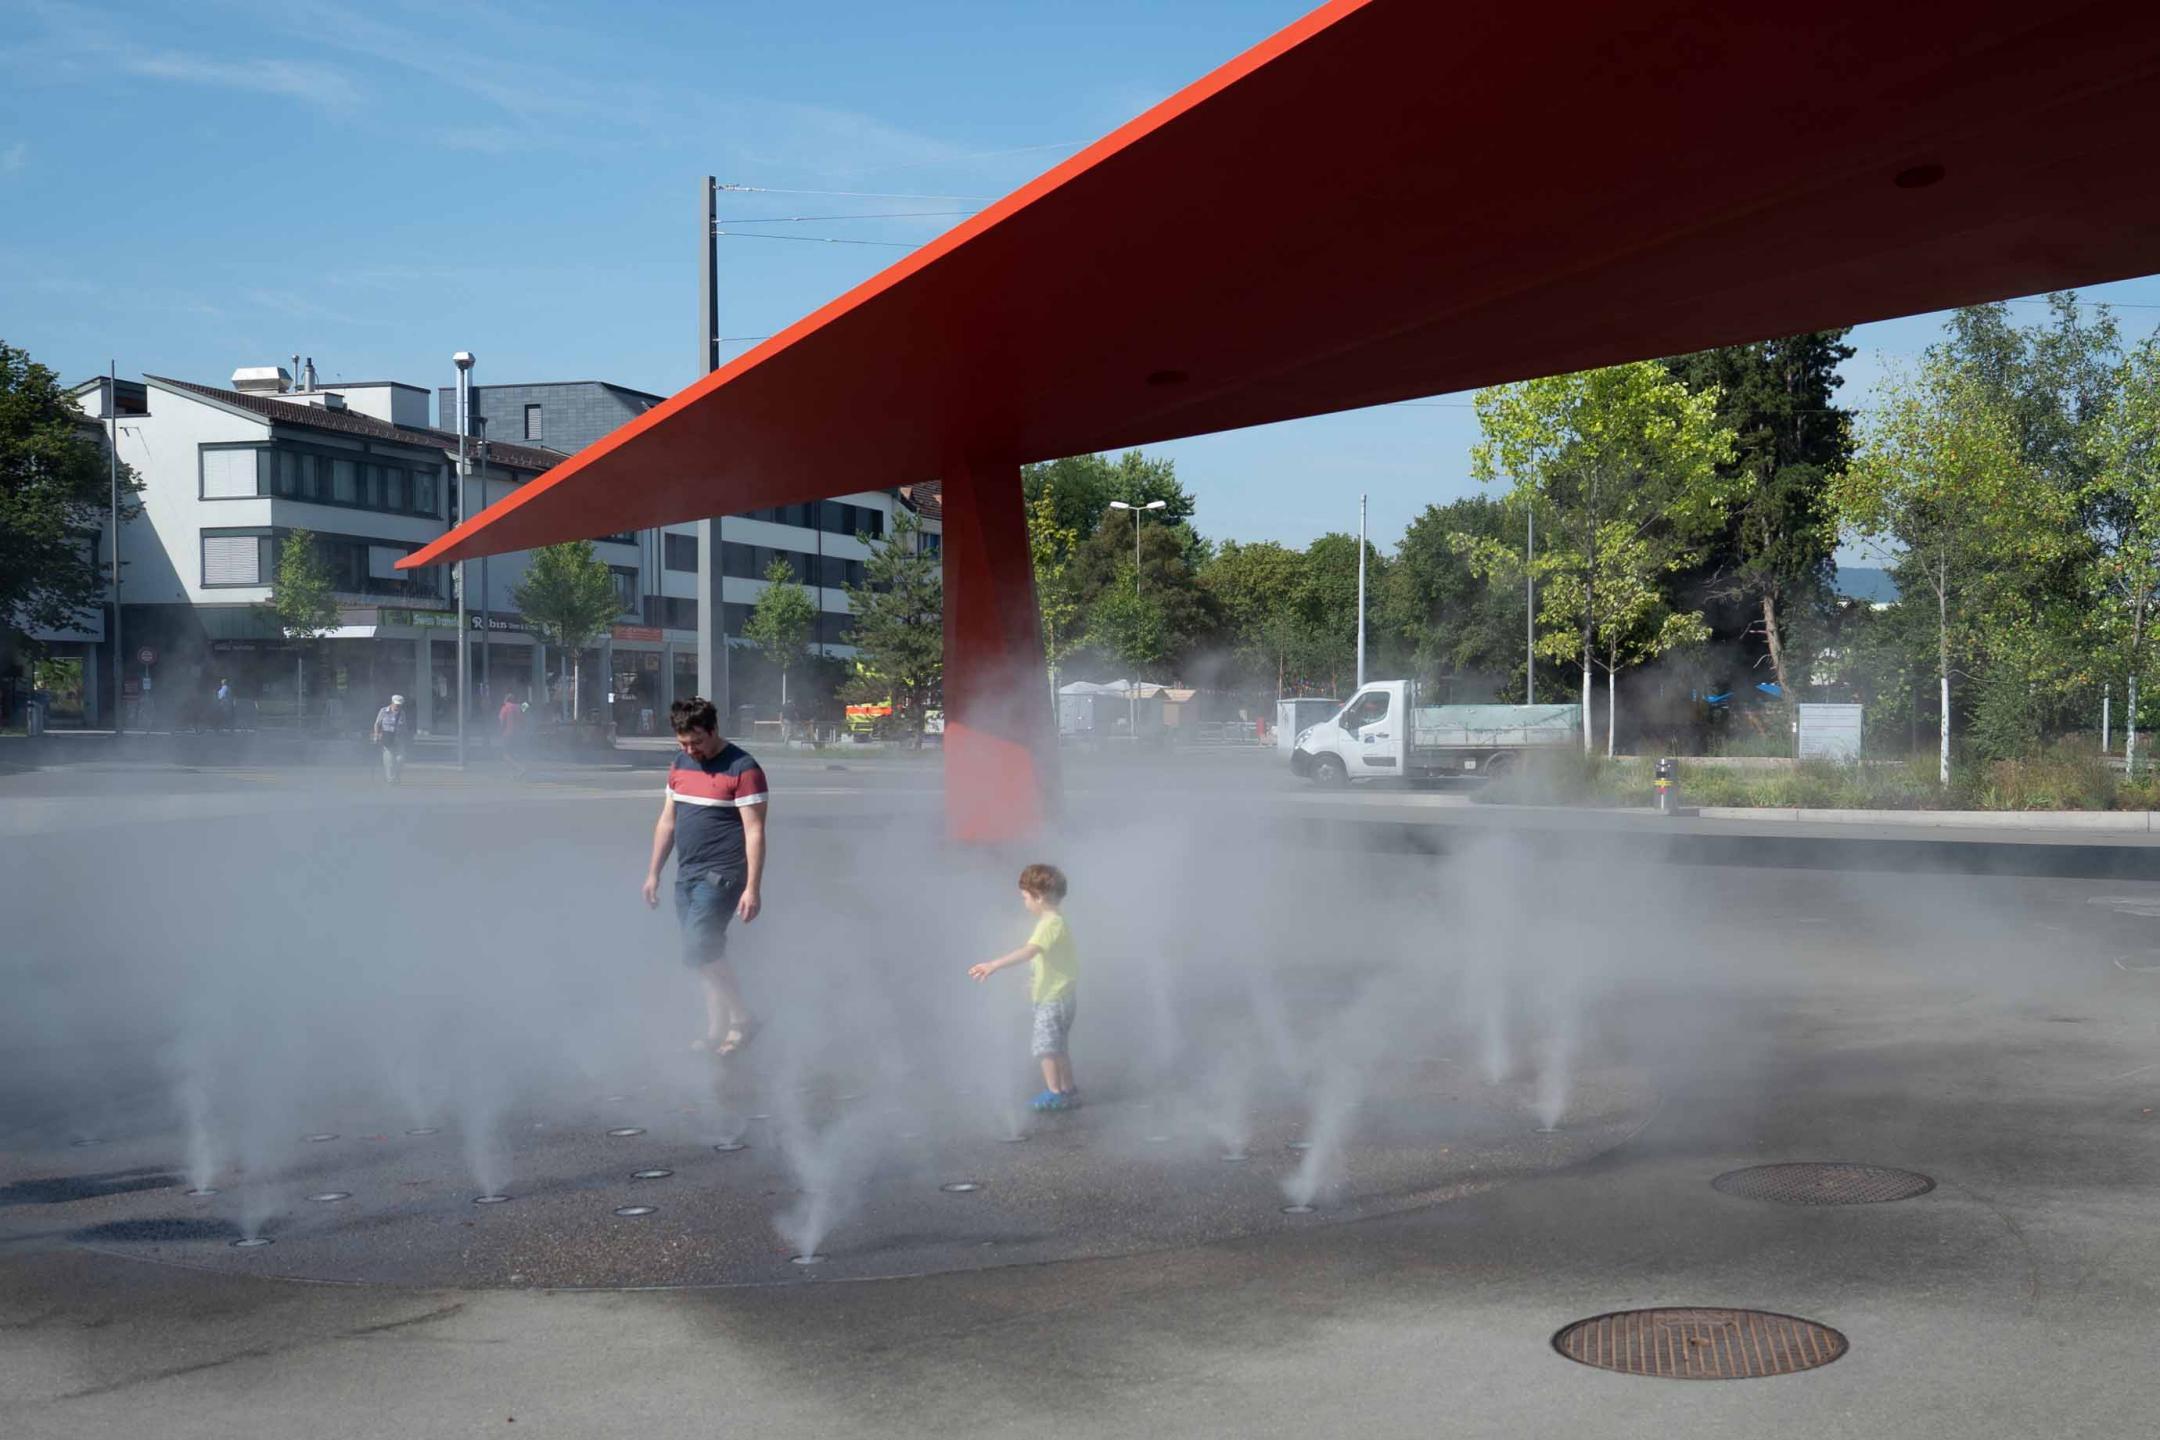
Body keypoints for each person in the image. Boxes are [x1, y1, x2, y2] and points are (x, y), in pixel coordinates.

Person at [643, 696, 768, 1055]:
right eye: (683, 743)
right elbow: (668, 821)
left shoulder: (743, 768)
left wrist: (753, 888)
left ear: (713, 730)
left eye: (697, 742)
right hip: (687, 874)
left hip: (724, 875)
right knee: (706, 953)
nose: (690, 750)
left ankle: (744, 1019)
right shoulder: (680, 765)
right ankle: (718, 1028)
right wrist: (654, 873)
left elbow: (755, 832)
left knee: (698, 947)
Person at [969, 863, 1079, 1112]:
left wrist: (994, 964)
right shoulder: (1056, 922)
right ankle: (1068, 1090)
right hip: (1060, 996)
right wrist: (1032, 980)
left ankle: (1055, 1093)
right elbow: (1049, 959)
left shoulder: (1049, 924)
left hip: (1053, 999)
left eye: (1025, 897)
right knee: (1059, 1048)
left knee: (1045, 1048)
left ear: (1039, 897)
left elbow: (1031, 951)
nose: (1024, 902)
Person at [372, 693, 410, 783]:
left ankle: (396, 775)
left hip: (399, 738)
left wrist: (406, 737)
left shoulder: (402, 713)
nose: (398, 707)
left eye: (399, 705)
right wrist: (376, 735)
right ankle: (390, 778)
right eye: (396, 704)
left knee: (401, 759)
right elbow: (377, 724)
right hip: (387, 738)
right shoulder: (383, 711)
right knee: (389, 760)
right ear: (392, 702)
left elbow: (404, 726)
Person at [498, 692, 523, 775]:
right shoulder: (519, 707)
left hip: (507, 733)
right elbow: (527, 707)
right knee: (513, 753)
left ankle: (520, 768)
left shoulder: (505, 708)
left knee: (505, 755)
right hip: (518, 734)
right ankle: (512, 774)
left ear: (506, 700)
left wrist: (500, 733)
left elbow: (501, 722)